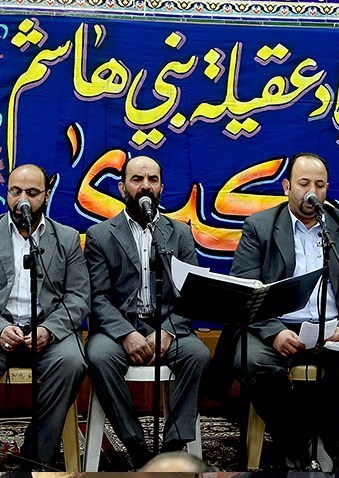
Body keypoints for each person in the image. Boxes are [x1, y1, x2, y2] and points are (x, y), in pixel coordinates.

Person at [212, 152, 339, 469]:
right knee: (252, 363)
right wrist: (274, 333)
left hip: (335, 329)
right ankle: (301, 446)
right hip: (276, 326)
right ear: (287, 186)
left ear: (327, 189)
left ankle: (314, 436)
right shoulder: (259, 227)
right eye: (303, 184)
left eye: (319, 185)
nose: (311, 192)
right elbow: (246, 288)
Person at [0, 164, 90, 471]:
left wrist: (49, 330)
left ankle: (33, 458)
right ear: (7, 193)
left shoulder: (67, 238)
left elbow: (79, 297)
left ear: (46, 195)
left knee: (72, 363)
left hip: (47, 330)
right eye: (15, 192)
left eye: (32, 192)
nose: (22, 200)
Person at [84, 155, 210, 468]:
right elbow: (97, 297)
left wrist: (168, 331)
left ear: (161, 188)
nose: (145, 186)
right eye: (137, 179)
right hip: (117, 330)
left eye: (152, 180)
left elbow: (192, 294)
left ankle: (172, 446)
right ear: (122, 188)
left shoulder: (179, 233)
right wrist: (125, 333)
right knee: (99, 357)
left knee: (198, 356)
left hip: (169, 326)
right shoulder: (101, 235)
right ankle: (136, 445)